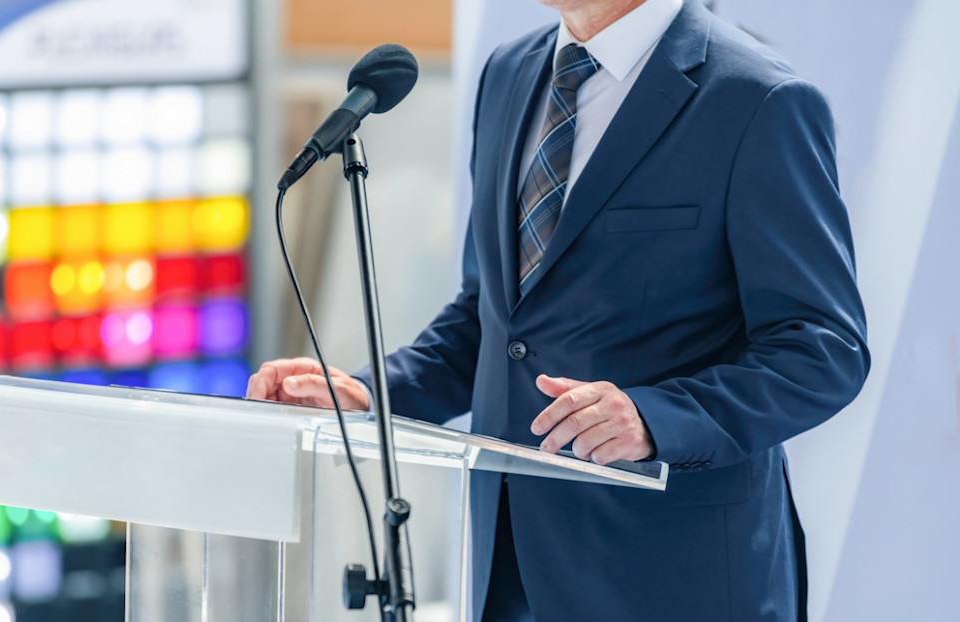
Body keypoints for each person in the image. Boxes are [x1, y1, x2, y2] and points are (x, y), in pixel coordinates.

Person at [248, 0, 870, 619]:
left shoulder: (759, 101)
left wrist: (655, 419)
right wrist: (368, 389)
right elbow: (494, 319)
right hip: (511, 572)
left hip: (675, 576)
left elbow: (823, 347)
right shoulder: (508, 73)